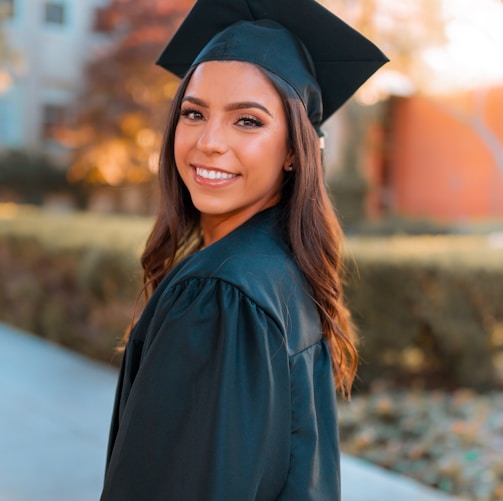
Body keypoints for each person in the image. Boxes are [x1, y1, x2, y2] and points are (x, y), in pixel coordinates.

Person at [100, 0, 387, 499]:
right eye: (194, 113)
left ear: (297, 150)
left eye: (247, 121)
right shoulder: (284, 271)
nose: (209, 141)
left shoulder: (219, 296)